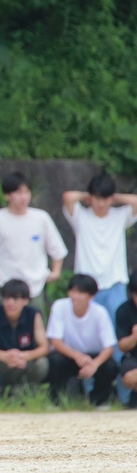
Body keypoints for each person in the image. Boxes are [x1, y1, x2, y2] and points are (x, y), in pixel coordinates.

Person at [63, 173, 137, 403]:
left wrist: (112, 197)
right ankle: (92, 395)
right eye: (97, 198)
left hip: (114, 284)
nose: (101, 202)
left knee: (116, 343)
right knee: (88, 340)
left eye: (105, 198)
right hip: (87, 287)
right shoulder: (81, 217)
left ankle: (122, 397)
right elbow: (68, 196)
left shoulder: (120, 216)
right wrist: (90, 196)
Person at [0, 172, 67, 314]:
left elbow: (57, 248)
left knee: (35, 327)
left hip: (33, 286)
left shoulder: (41, 218)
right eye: (18, 192)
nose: (23, 196)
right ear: (7, 195)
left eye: (26, 191)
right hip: (2, 284)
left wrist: (55, 272)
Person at [46, 274, 118, 407]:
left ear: (91, 296)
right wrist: (76, 355)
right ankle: (56, 401)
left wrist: (95, 364)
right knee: (55, 360)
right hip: (69, 354)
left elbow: (109, 347)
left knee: (110, 366)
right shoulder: (59, 306)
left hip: (92, 357)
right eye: (73, 291)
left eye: (81, 292)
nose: (75, 296)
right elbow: (55, 341)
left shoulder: (100, 312)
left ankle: (99, 402)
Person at [0, 279, 49, 395]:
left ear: (25, 300)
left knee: (42, 364)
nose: (10, 303)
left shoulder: (33, 314)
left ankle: (20, 393)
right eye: (6, 298)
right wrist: (4, 356)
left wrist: (25, 356)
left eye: (15, 299)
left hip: (23, 362)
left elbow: (45, 347)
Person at [115, 273, 137, 407]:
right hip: (133, 357)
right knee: (129, 376)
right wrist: (134, 337)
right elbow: (122, 346)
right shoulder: (124, 310)